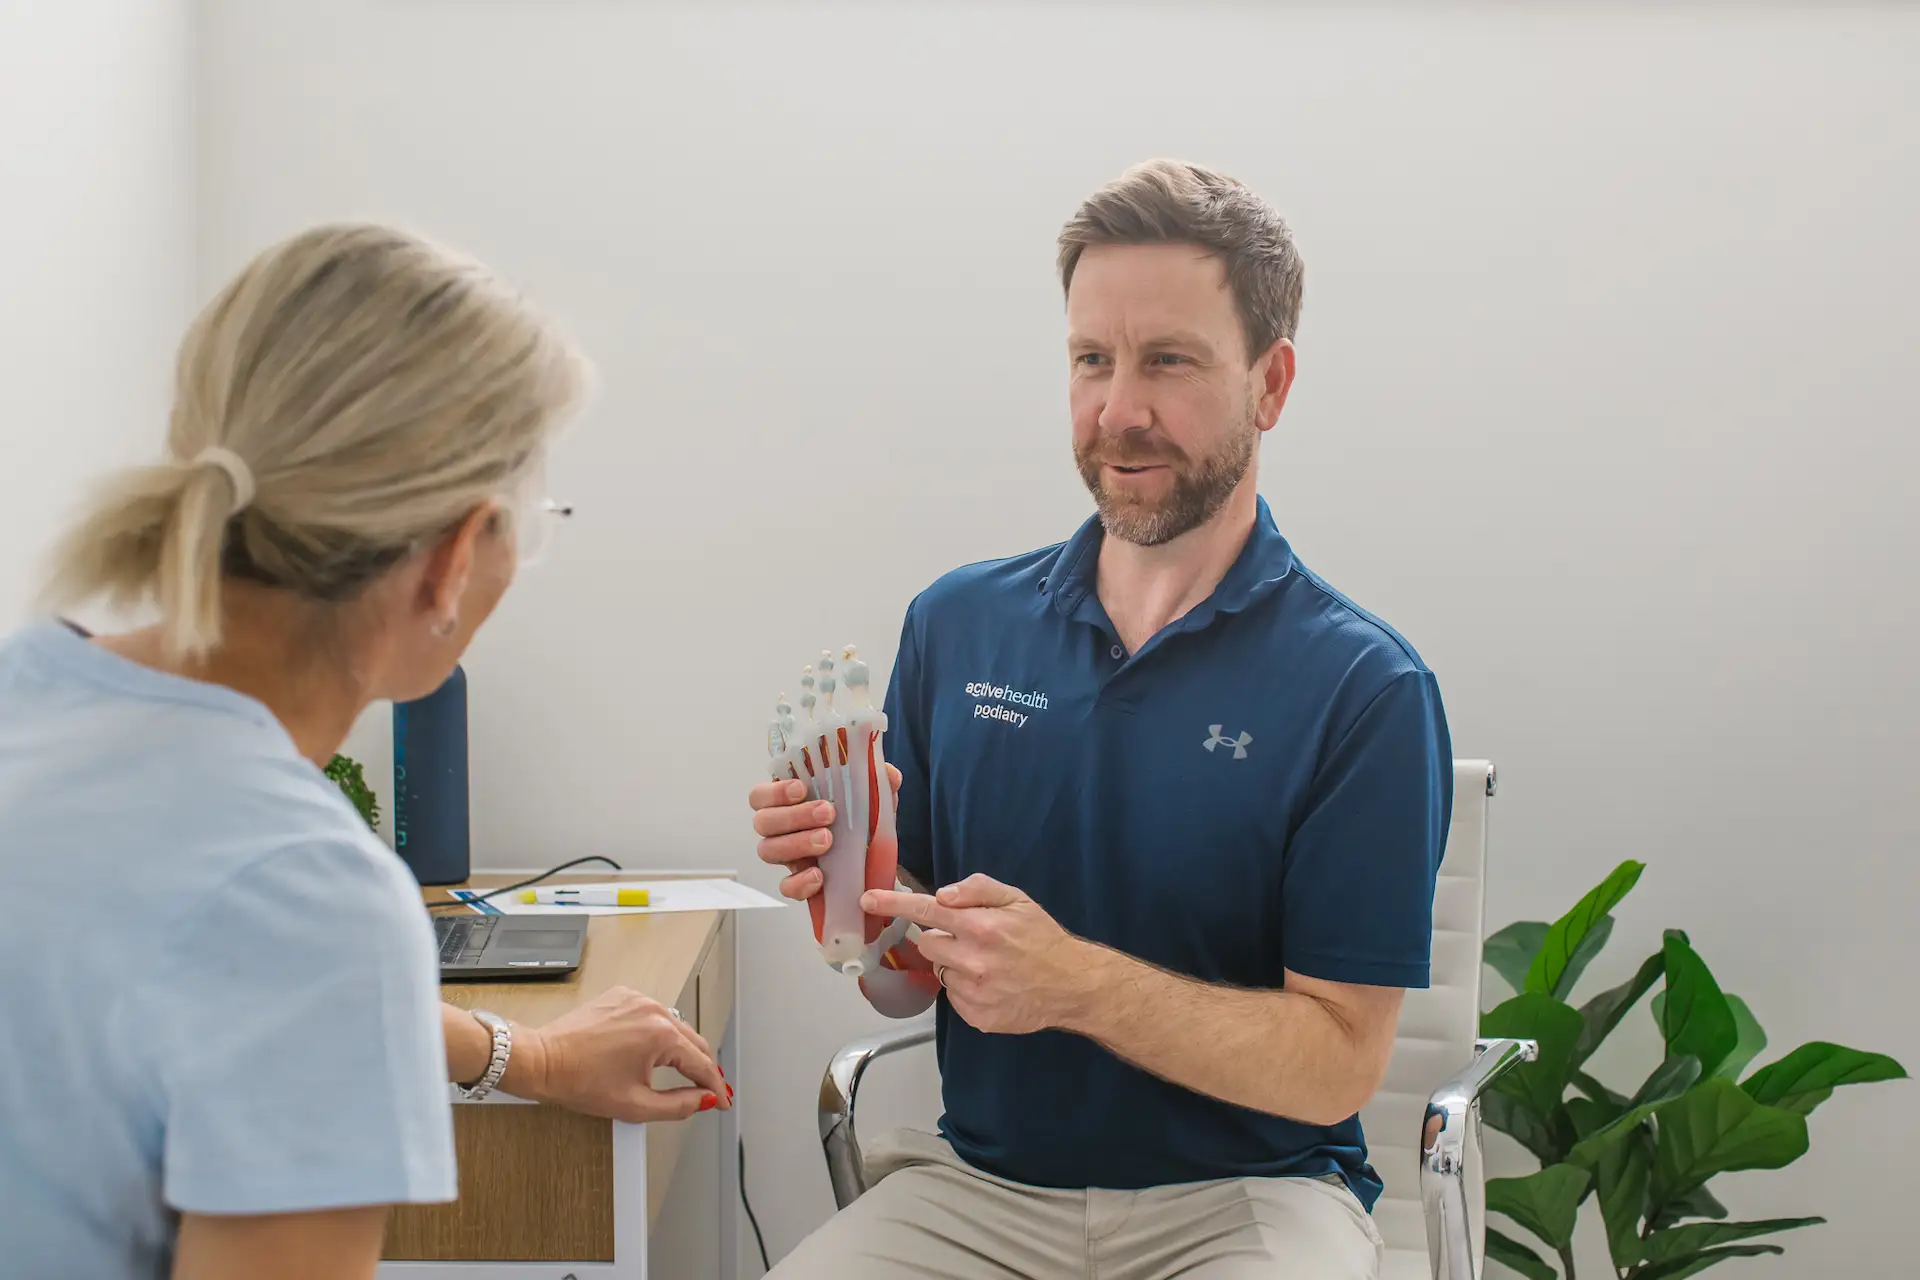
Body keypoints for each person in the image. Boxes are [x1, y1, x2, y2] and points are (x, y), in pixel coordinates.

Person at [748, 159, 1451, 1278]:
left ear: (1271, 384)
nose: (1119, 411)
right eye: (1091, 360)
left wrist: (1076, 983)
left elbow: (1336, 1066)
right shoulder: (958, 624)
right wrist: (853, 891)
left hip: (1248, 1201)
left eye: (1168, 360)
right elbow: (903, 976)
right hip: (980, 1194)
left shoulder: (1363, 690)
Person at [0, 224, 729, 1280]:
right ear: (448, 561)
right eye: (527, 517)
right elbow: (271, 952)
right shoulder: (306, 891)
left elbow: (198, 978)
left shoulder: (32, 688)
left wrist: (535, 1052)